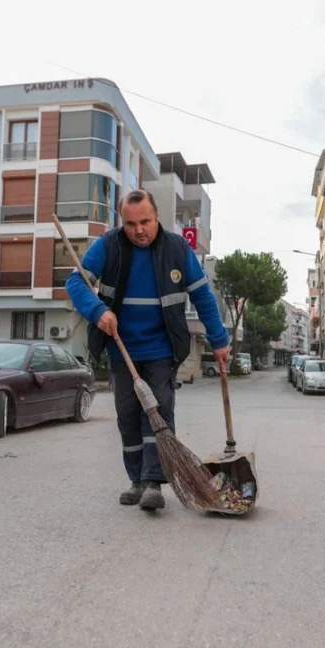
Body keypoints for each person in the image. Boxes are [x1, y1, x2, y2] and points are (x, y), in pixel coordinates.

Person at [67, 189, 231, 511]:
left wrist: (219, 339)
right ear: (121, 222)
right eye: (130, 224)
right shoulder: (108, 245)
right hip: (121, 347)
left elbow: (203, 296)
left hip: (162, 347)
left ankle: (154, 481)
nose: (139, 230)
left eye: (145, 222)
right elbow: (75, 283)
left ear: (157, 217)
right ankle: (137, 480)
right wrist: (98, 311)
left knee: (158, 411)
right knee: (128, 416)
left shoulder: (176, 248)